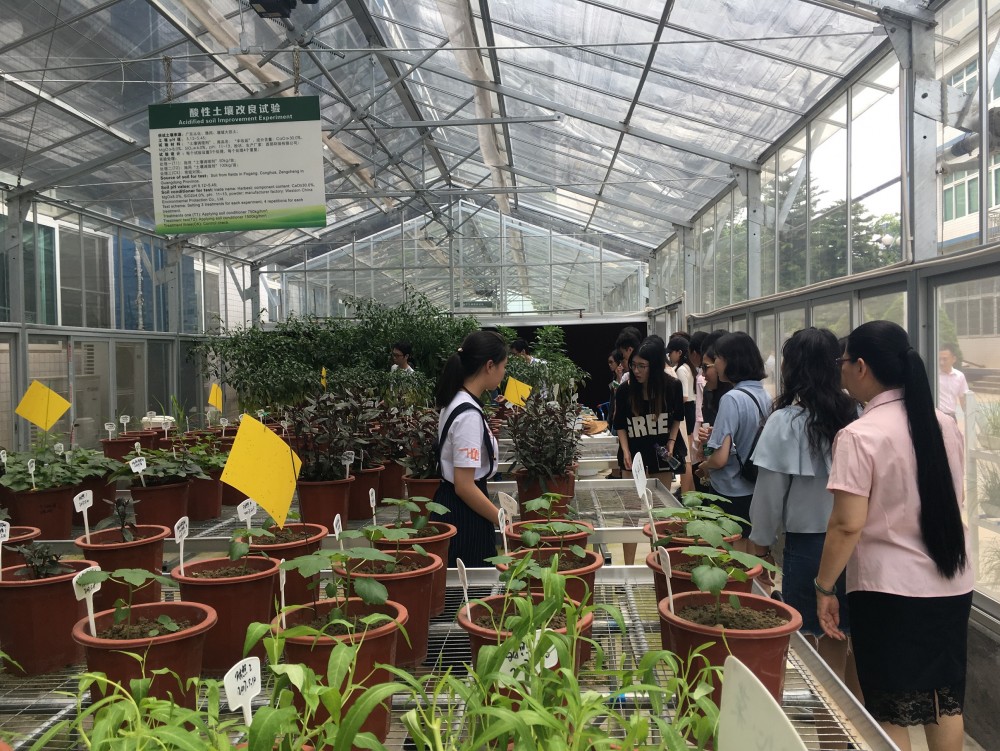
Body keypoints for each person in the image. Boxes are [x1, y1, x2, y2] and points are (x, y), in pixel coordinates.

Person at [816, 321, 972, 751]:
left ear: (861, 367)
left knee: (888, 709)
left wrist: (824, 586)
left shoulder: (860, 434)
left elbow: (847, 524)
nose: (841, 370)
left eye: (843, 362)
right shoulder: (943, 424)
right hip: (951, 584)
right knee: (944, 704)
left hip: (889, 593)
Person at [748, 328, 860, 694]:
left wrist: (760, 547)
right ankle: (857, 733)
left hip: (811, 548)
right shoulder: (857, 413)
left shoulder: (787, 421)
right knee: (849, 639)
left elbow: (768, 496)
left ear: (794, 367)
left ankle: (830, 729)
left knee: (816, 643)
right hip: (859, 545)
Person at [430, 330, 507, 568]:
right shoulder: (468, 415)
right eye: (504, 366)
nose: (504, 373)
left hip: (452, 504)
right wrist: (503, 520)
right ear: (490, 366)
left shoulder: (457, 401)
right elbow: (464, 485)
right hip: (464, 516)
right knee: (472, 595)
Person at [695, 331, 770, 551]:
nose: (715, 364)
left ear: (730, 361)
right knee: (746, 550)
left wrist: (704, 466)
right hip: (752, 487)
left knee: (728, 557)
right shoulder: (762, 395)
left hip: (729, 490)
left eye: (717, 358)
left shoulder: (732, 398)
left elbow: (719, 459)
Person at [613, 337, 685, 564]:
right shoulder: (625, 391)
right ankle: (627, 565)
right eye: (633, 365)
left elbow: (677, 418)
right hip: (632, 457)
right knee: (631, 512)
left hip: (661, 456)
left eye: (641, 366)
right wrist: (625, 450)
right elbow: (621, 425)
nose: (635, 370)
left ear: (654, 366)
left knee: (660, 513)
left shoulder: (672, 387)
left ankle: (660, 562)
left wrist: (672, 442)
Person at [667, 336, 697, 494]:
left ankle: (687, 492)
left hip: (685, 410)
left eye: (671, 352)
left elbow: (684, 396)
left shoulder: (681, 370)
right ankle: (689, 491)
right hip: (690, 408)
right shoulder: (688, 367)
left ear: (679, 352)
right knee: (688, 456)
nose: (669, 356)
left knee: (686, 457)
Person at [937, 343, 968, 419]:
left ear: (954, 359)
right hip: (936, 417)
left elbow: (963, 399)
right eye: (939, 359)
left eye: (944, 359)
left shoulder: (959, 376)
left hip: (952, 417)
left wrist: (969, 417)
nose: (941, 362)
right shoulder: (934, 375)